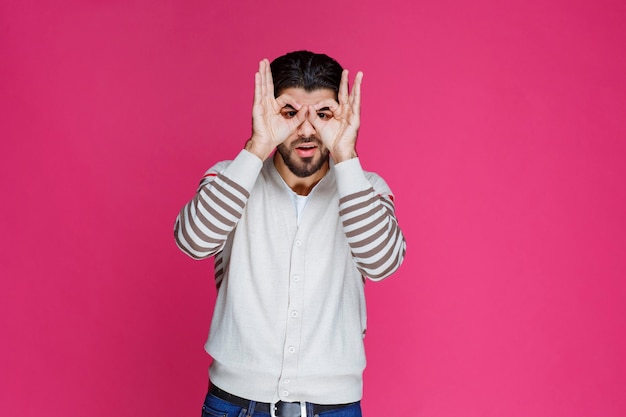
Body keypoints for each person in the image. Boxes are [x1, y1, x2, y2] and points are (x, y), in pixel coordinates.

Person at [174, 50, 406, 417]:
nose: (307, 129)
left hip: (334, 405)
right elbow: (193, 242)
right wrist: (257, 146)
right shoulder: (231, 177)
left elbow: (382, 264)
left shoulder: (366, 188)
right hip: (235, 403)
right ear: (269, 112)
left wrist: (346, 155)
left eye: (324, 114)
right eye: (290, 113)